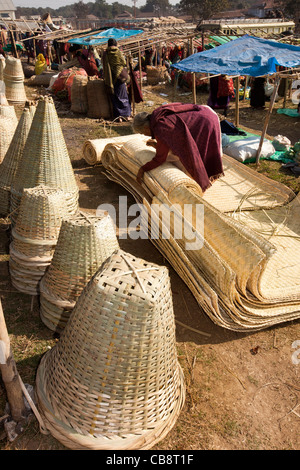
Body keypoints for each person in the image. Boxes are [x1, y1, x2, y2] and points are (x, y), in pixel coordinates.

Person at [133, 102, 223, 193]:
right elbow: (171, 143)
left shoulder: (160, 128)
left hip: (205, 121)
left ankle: (205, 180)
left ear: (145, 127)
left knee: (195, 155)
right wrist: (157, 145)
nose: (145, 135)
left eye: (143, 133)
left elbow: (160, 159)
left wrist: (143, 169)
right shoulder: (157, 115)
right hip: (206, 111)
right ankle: (207, 175)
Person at [102, 38, 132, 122]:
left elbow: (104, 64)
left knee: (115, 96)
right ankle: (126, 116)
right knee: (123, 95)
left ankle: (119, 117)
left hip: (111, 76)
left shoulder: (106, 53)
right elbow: (123, 62)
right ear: (115, 44)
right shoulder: (118, 52)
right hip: (120, 76)